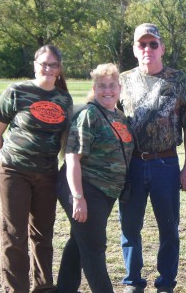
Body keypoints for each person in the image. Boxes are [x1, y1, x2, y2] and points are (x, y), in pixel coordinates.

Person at [118, 23, 186, 293]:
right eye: (142, 44)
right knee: (130, 227)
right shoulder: (122, 80)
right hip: (132, 165)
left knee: (169, 228)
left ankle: (166, 282)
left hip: (166, 163)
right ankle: (132, 281)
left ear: (162, 48)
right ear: (134, 49)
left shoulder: (178, 79)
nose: (148, 49)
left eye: (153, 44)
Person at [0, 45, 73, 293]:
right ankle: (16, 289)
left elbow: (65, 139)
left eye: (53, 65)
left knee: (43, 234)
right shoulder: (17, 91)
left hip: (47, 174)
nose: (48, 69)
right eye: (43, 63)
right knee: (15, 234)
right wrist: (2, 162)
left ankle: (43, 287)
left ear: (59, 70)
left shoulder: (63, 99)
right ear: (35, 64)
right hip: (14, 171)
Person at [56, 63, 134, 293]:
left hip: (105, 192)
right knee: (94, 248)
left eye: (112, 86)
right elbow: (72, 158)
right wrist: (78, 197)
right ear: (95, 87)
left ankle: (64, 289)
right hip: (85, 187)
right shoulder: (90, 114)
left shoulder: (118, 115)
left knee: (79, 243)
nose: (107, 91)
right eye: (102, 86)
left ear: (119, 88)